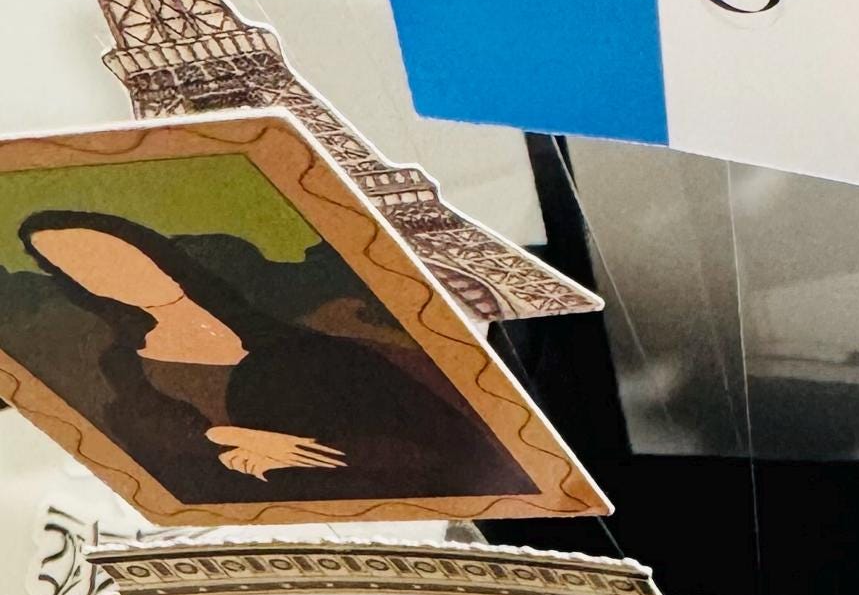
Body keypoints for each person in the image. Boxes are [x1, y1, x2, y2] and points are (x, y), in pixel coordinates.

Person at [13, 208, 533, 502]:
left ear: (143, 245)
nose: (111, 273)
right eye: (83, 269)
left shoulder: (293, 325)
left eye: (110, 253)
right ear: (79, 286)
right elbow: (148, 437)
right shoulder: (127, 363)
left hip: (419, 475)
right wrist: (226, 438)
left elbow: (427, 430)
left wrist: (300, 452)